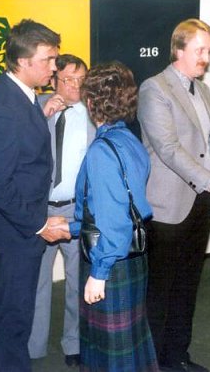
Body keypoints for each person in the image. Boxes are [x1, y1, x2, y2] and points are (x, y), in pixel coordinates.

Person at [137, 18, 210, 372]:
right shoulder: (154, 89)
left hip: (199, 201)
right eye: (200, 50)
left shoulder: (203, 90)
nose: (206, 58)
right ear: (178, 49)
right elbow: (168, 149)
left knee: (187, 285)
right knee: (160, 290)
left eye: (209, 51)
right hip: (167, 207)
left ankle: (177, 356)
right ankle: (154, 362)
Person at [0, 19, 70, 372]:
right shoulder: (4, 106)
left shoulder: (19, 96)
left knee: (8, 317)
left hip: (14, 228)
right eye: (48, 60)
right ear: (23, 61)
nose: (54, 67)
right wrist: (39, 224)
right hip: (14, 232)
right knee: (12, 321)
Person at [52, 61, 159, 372]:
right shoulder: (129, 140)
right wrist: (71, 227)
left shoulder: (101, 150)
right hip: (132, 256)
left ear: (90, 103)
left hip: (110, 262)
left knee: (113, 357)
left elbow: (113, 221)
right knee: (131, 350)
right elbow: (122, 208)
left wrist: (99, 273)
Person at [29, 54, 94, 367]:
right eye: (68, 80)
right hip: (40, 210)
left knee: (77, 280)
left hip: (76, 210)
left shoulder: (94, 114)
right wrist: (42, 117)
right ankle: (33, 346)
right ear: (54, 80)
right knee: (36, 281)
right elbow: (20, 148)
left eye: (81, 80)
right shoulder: (35, 108)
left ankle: (74, 344)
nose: (75, 86)